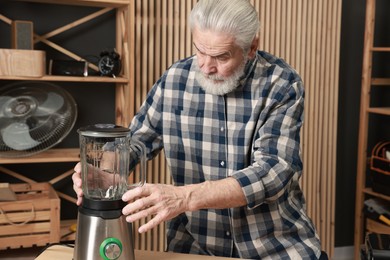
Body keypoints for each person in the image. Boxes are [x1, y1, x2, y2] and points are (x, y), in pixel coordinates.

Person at [73, 0, 324, 258]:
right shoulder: (174, 79)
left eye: (221, 56)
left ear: (251, 48)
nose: (205, 66)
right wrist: (104, 170)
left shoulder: (281, 83)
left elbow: (274, 171)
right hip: (194, 247)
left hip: (274, 247)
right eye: (200, 51)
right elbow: (137, 141)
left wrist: (185, 198)